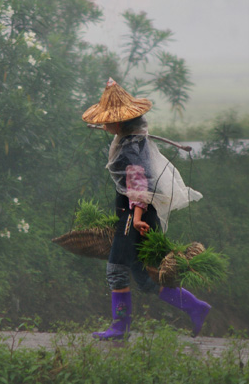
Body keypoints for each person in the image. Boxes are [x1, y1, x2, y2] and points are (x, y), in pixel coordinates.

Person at [82, 78, 211, 340]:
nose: (103, 125)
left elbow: (139, 182)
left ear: (118, 123)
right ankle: (196, 307)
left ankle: (120, 327)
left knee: (116, 269)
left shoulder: (131, 147)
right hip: (135, 213)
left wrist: (137, 217)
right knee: (144, 278)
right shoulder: (129, 138)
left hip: (136, 215)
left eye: (106, 121)